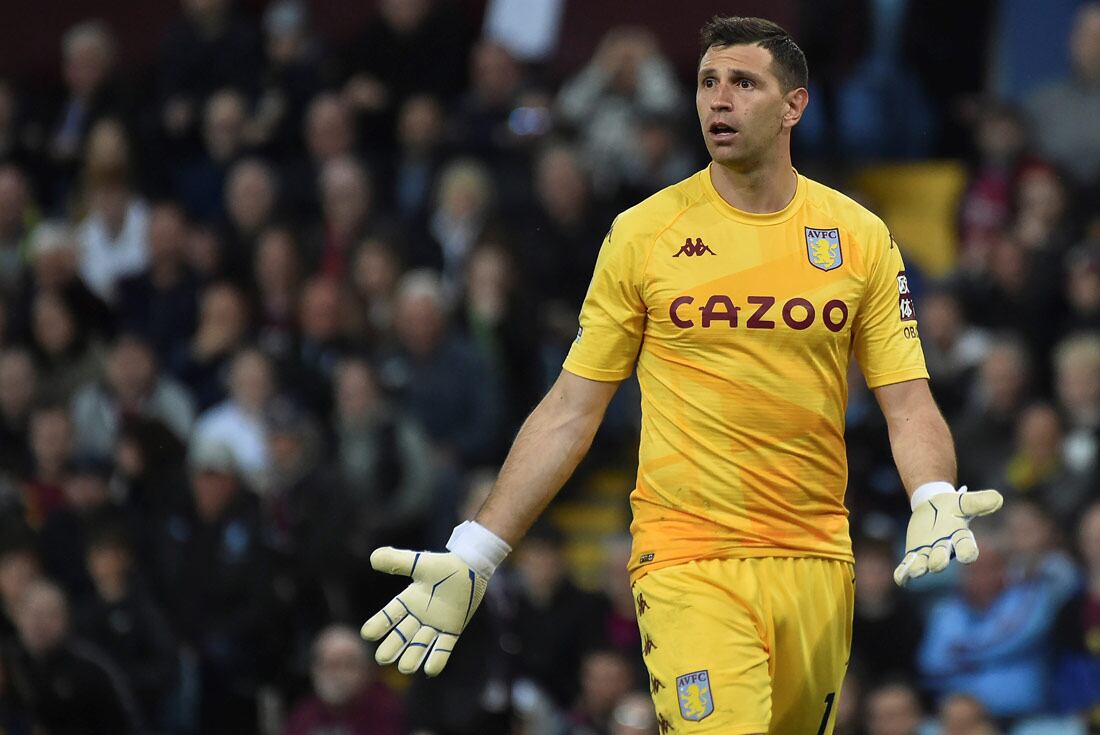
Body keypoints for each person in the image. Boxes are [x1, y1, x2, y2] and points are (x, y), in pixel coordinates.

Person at [360, 17, 1003, 734]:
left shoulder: (859, 237)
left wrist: (935, 490)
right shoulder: (644, 233)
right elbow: (572, 407)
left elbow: (909, 402)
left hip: (815, 555)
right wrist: (475, 551)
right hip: (687, 553)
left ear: (794, 105)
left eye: (743, 83)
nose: (718, 100)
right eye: (706, 82)